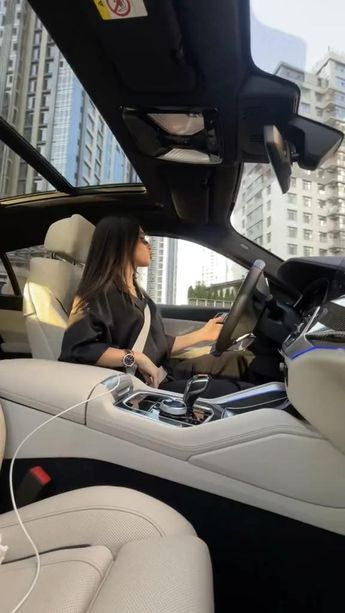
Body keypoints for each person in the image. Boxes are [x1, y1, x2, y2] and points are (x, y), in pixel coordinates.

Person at [59, 216, 254, 397]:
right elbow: (79, 349)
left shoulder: (140, 295)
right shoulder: (96, 294)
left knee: (240, 361)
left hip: (163, 373)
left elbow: (159, 344)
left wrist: (203, 334)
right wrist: (135, 358)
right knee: (240, 393)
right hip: (141, 388)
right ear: (122, 244)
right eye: (142, 239)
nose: (149, 245)